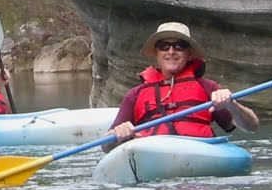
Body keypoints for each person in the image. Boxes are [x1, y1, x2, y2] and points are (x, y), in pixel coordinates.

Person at [104, 21, 258, 149]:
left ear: (189, 54)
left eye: (179, 46)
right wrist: (117, 135)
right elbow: (105, 147)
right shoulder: (135, 94)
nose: (171, 51)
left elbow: (251, 126)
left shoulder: (208, 88)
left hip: (199, 151)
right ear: (157, 53)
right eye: (164, 46)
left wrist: (232, 105)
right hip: (152, 153)